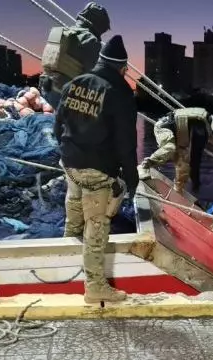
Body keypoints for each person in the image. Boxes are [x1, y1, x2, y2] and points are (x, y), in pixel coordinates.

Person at [53, 35, 139, 304]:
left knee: (74, 207)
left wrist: (69, 151)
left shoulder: (74, 84)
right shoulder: (121, 93)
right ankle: (95, 286)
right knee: (97, 225)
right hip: (96, 171)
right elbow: (126, 143)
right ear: (123, 68)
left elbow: (57, 125)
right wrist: (131, 179)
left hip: (69, 163)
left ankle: (65, 252)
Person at [137, 108, 213, 195]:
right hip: (164, 129)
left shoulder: (204, 121)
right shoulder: (201, 130)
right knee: (170, 148)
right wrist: (196, 183)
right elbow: (195, 158)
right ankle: (144, 166)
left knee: (184, 166)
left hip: (177, 137)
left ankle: (177, 190)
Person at [39, 2, 111, 110]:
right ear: (99, 25)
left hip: (44, 88)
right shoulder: (91, 40)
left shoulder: (61, 32)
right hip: (63, 97)